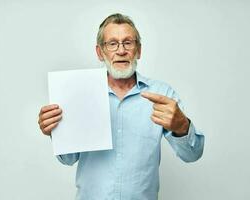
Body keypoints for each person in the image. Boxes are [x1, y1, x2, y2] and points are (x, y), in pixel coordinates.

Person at [38, 13, 204, 200]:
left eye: (128, 43)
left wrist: (182, 127)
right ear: (100, 52)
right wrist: (57, 131)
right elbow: (68, 159)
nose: (121, 50)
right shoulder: (79, 93)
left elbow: (193, 154)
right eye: (112, 43)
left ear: (138, 50)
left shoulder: (162, 94)